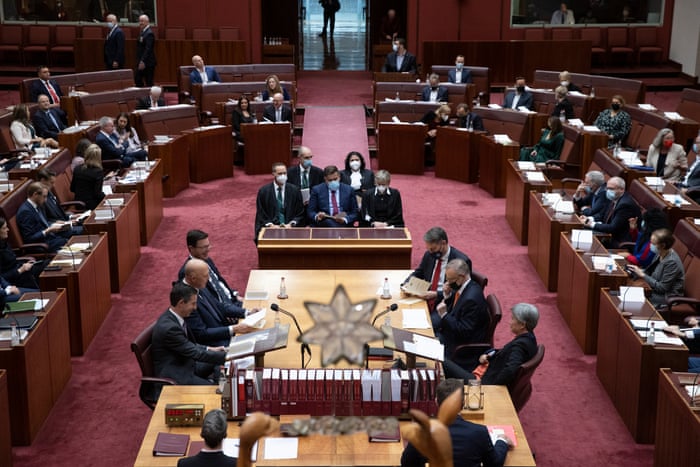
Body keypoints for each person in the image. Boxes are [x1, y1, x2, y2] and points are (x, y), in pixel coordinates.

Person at [400, 378, 511, 467]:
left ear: (436, 402)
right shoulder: (479, 432)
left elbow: (406, 463)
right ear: (463, 404)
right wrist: (502, 441)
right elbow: (494, 464)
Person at [443, 303, 539, 387]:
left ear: (522, 325)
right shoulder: (530, 338)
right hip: (485, 370)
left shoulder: (520, 346)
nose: (510, 322)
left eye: (513, 319)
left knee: (442, 362)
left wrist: (490, 387)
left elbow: (510, 370)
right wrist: (489, 355)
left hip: (481, 382)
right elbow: (505, 353)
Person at [151, 282, 229, 385]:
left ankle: (220, 384)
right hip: (177, 374)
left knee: (219, 362)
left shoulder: (176, 315)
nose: (195, 308)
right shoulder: (170, 329)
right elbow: (195, 353)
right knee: (214, 391)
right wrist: (229, 356)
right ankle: (218, 387)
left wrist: (210, 349)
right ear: (181, 303)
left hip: (187, 363)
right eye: (193, 303)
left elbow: (187, 345)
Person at [182, 259, 256, 347]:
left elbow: (220, 307)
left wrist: (247, 313)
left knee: (257, 331)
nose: (209, 279)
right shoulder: (186, 300)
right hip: (215, 344)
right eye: (206, 276)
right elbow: (202, 334)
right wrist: (233, 329)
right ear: (193, 278)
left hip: (223, 330)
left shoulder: (199, 285)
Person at [403, 227, 473, 319]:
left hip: (445, 304)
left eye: (433, 249)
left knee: (426, 323)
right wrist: (407, 283)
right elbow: (419, 272)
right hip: (425, 296)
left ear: (443, 243)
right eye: (429, 249)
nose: (430, 252)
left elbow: (461, 291)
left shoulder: (461, 261)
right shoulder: (428, 254)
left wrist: (437, 294)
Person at [435, 259, 490, 358]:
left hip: (459, 345)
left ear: (461, 277)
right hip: (451, 331)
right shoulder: (466, 286)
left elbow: (464, 331)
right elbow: (457, 308)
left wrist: (444, 315)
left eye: (451, 280)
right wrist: (447, 296)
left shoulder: (471, 300)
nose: (448, 283)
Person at [177, 230, 244, 309]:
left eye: (208, 246)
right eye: (204, 247)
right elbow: (205, 302)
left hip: (232, 301)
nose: (208, 249)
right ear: (191, 248)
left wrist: (234, 295)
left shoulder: (207, 259)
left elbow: (219, 281)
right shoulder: (186, 272)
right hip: (223, 310)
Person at [627, 228, 685, 309]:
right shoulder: (660, 252)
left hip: (666, 296)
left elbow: (662, 288)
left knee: (632, 296)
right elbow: (650, 271)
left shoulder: (672, 262)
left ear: (663, 245)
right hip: (654, 289)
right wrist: (636, 271)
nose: (650, 245)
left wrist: (643, 275)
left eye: (653, 243)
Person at [579, 176, 641, 248]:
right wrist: (589, 219)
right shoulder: (614, 198)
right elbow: (602, 216)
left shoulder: (625, 205)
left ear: (621, 189)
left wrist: (591, 224)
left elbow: (613, 228)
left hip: (620, 241)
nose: (608, 191)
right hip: (609, 236)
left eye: (611, 189)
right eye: (607, 188)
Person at [254, 162, 305, 241]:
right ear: (273, 174)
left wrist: (291, 224)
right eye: (280, 173)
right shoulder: (264, 191)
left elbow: (300, 212)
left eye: (284, 173)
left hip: (290, 226)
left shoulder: (295, 190)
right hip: (271, 226)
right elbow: (261, 213)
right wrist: (271, 225)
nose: (283, 176)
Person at [17, 182, 72, 252]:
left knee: (71, 239)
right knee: (70, 243)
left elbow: (43, 223)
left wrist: (54, 223)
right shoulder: (25, 212)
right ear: (35, 194)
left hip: (50, 238)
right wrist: (47, 231)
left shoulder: (38, 205)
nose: (46, 200)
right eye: (44, 196)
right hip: (41, 244)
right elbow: (29, 238)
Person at [36, 168, 83, 234]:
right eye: (51, 182)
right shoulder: (40, 198)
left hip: (65, 222)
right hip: (58, 229)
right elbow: (45, 221)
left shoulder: (49, 192)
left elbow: (58, 212)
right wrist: (65, 223)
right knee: (85, 229)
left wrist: (71, 217)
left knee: (86, 222)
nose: (54, 185)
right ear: (42, 180)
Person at [71, 144, 109, 210]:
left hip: (78, 204)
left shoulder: (77, 169)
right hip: (92, 205)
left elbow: (72, 188)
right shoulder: (98, 172)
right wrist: (108, 197)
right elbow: (98, 194)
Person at [135, 14, 156, 87]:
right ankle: (142, 96)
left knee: (149, 81)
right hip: (142, 61)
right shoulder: (143, 32)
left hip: (147, 62)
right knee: (138, 79)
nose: (140, 23)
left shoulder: (149, 33)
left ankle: (150, 97)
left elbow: (148, 49)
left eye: (142, 21)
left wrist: (142, 61)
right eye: (139, 21)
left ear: (147, 22)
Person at [678, 134, 700, 202]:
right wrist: (676, 182)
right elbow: (687, 177)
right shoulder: (697, 159)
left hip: (693, 195)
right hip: (681, 188)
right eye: (695, 142)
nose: (695, 145)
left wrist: (689, 190)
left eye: (697, 143)